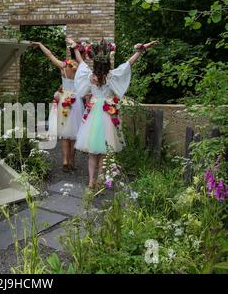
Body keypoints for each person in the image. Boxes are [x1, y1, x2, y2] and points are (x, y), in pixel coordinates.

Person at [67, 37, 158, 188]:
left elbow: (80, 62)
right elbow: (129, 63)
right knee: (104, 150)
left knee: (92, 153)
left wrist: (75, 47)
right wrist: (143, 48)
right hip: (107, 113)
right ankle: (102, 178)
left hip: (94, 113)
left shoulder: (90, 76)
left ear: (95, 62)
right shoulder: (112, 76)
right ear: (107, 62)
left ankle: (91, 181)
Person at [30, 41, 85, 172]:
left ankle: (65, 160)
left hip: (64, 99)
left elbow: (49, 55)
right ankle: (72, 161)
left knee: (65, 132)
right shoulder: (82, 68)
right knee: (75, 133)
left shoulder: (63, 65)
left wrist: (40, 44)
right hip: (76, 100)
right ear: (80, 53)